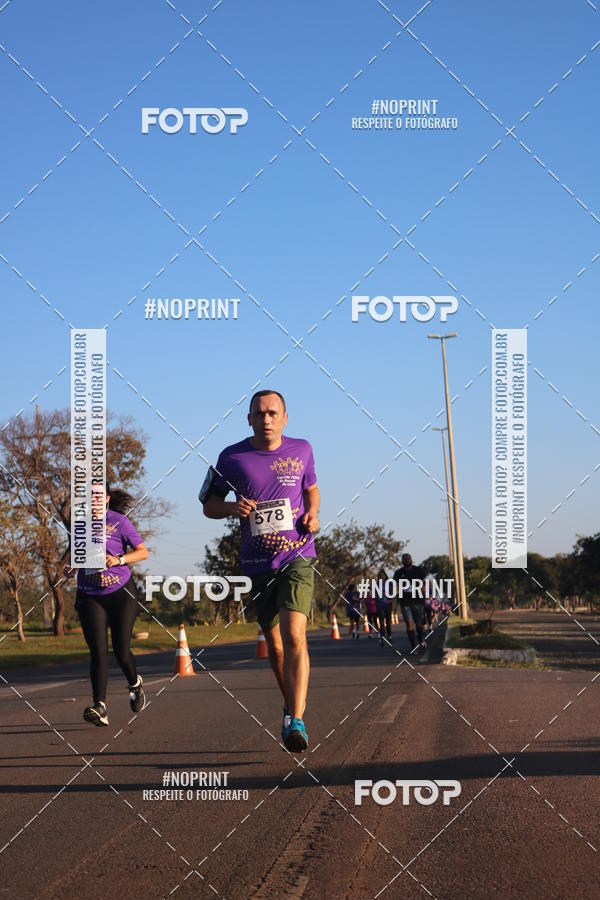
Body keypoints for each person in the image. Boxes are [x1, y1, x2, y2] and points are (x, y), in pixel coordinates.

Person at [201, 390, 319, 753]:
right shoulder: (231, 457)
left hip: (298, 556)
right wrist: (231, 508)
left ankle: (296, 720)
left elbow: (311, 490)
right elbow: (208, 505)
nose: (266, 419)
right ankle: (290, 707)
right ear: (249, 419)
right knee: (276, 648)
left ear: (285, 417)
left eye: (273, 413)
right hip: (256, 565)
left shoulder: (302, 450)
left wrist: (312, 514)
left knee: (294, 635)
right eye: (259, 413)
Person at [72, 486, 149, 726]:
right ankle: (100, 707)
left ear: (105, 498)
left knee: (121, 651)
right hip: (90, 594)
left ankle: (135, 684)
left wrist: (119, 560)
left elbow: (143, 552)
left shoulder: (119, 522)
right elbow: (71, 559)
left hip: (121, 593)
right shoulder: (79, 526)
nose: (93, 499)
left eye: (97, 495)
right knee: (98, 651)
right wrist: (68, 568)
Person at [394, 553, 427, 655]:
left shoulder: (418, 570)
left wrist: (425, 596)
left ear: (411, 560)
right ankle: (413, 646)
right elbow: (395, 586)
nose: (407, 560)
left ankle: (421, 638)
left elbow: (424, 584)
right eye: (405, 559)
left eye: (408, 558)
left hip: (418, 601)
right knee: (409, 624)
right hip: (405, 602)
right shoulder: (399, 573)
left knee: (419, 624)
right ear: (402, 561)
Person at [374, 568, 392, 647]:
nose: (381, 577)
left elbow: (393, 594)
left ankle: (389, 636)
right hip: (379, 606)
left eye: (383, 576)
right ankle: (382, 638)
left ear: (385, 577)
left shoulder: (389, 584)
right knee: (381, 623)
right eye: (380, 576)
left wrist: (389, 598)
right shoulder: (376, 584)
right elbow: (374, 595)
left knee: (388, 622)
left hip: (387, 605)